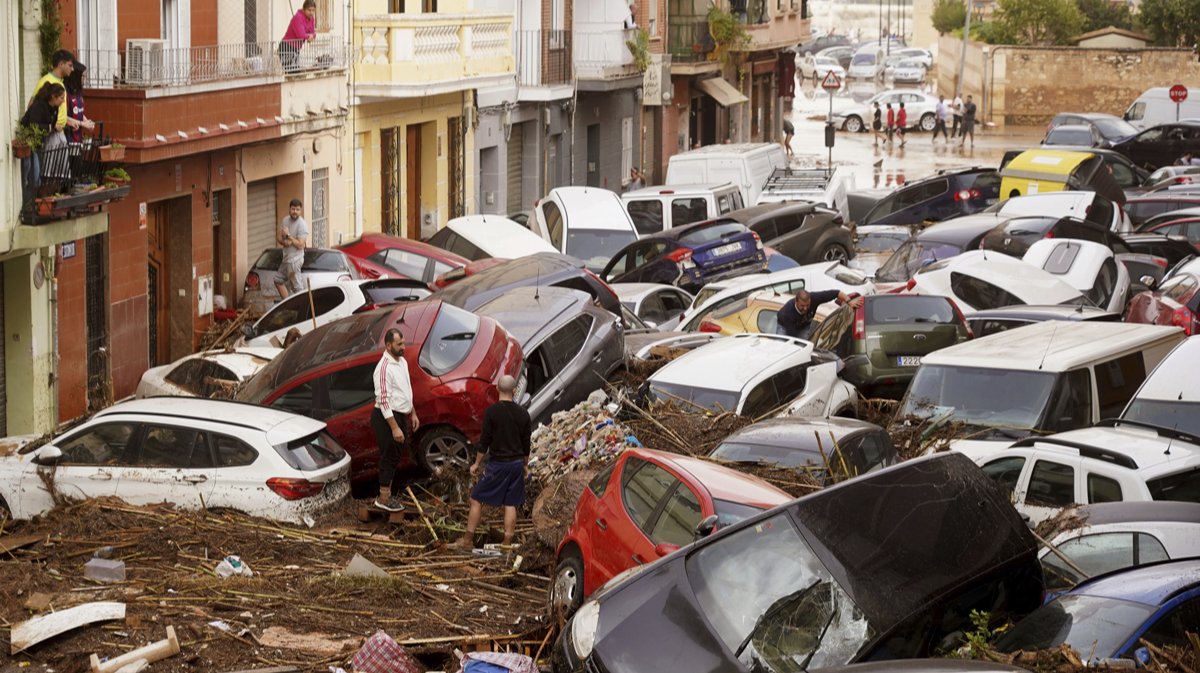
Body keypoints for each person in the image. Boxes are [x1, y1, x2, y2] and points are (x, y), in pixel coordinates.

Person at [451, 375, 532, 549]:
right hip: (516, 464)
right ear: (514, 390)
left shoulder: (491, 412)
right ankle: (506, 543)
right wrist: (525, 465)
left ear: (497, 390)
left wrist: (476, 463)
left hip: (498, 465)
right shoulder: (523, 414)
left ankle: (467, 540)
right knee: (511, 503)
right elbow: (526, 444)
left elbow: (484, 442)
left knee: (476, 499)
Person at [371, 329, 420, 512]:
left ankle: (388, 493)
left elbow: (406, 390)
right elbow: (383, 400)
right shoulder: (383, 368)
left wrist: (412, 412)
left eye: (403, 343)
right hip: (386, 417)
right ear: (389, 345)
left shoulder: (402, 362)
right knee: (389, 456)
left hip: (401, 414)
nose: (403, 347)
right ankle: (383, 498)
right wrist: (394, 428)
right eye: (399, 344)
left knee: (397, 454)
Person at [19, 83, 66, 220]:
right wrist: (51, 127)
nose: (63, 101)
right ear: (53, 96)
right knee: (31, 174)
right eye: (61, 98)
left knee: (37, 177)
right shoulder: (39, 106)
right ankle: (26, 208)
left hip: (40, 144)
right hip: (29, 142)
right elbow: (34, 124)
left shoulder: (55, 109)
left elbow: (52, 124)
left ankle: (31, 205)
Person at [777, 289, 863, 340]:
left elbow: (837, 293)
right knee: (785, 348)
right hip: (785, 327)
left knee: (803, 347)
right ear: (796, 301)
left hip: (804, 325)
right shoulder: (787, 313)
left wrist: (849, 301)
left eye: (808, 305)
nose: (805, 308)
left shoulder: (815, 298)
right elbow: (793, 339)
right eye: (802, 306)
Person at [274, 198, 309, 299]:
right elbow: (279, 237)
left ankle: (302, 310)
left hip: (295, 260)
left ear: (300, 211)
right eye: (293, 209)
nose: (295, 212)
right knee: (277, 281)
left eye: (297, 210)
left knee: (298, 288)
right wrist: (285, 242)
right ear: (289, 209)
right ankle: (287, 305)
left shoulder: (302, 225)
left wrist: (289, 235)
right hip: (286, 258)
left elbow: (301, 245)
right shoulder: (285, 220)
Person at [63, 60, 96, 144]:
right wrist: (83, 124)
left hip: (78, 137)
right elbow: (62, 116)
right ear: (76, 76)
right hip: (68, 137)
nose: (85, 78)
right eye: (83, 76)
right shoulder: (65, 92)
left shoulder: (78, 91)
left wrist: (87, 122)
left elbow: (78, 110)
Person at [279, 0, 317, 72]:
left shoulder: (311, 19)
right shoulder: (298, 18)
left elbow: (313, 33)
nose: (311, 12)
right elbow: (300, 35)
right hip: (286, 47)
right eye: (309, 10)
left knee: (296, 71)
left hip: (296, 48)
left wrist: (311, 36)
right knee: (291, 71)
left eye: (313, 10)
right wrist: (309, 36)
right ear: (304, 9)